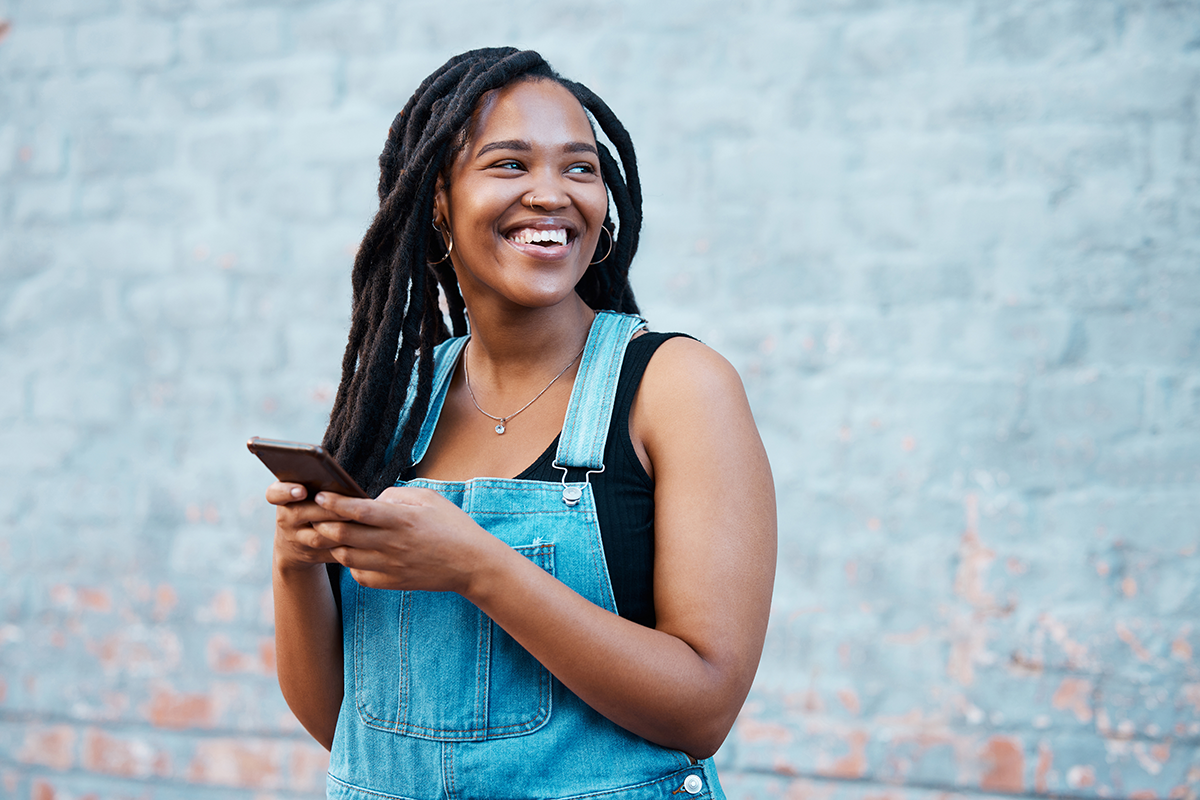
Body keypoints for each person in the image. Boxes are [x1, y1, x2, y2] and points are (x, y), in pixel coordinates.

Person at [266, 47, 776, 800]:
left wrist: (478, 567)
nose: (551, 193)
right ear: (436, 199)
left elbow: (703, 709)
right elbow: (347, 727)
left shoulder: (676, 388)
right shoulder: (397, 402)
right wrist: (293, 564)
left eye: (579, 168)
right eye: (509, 164)